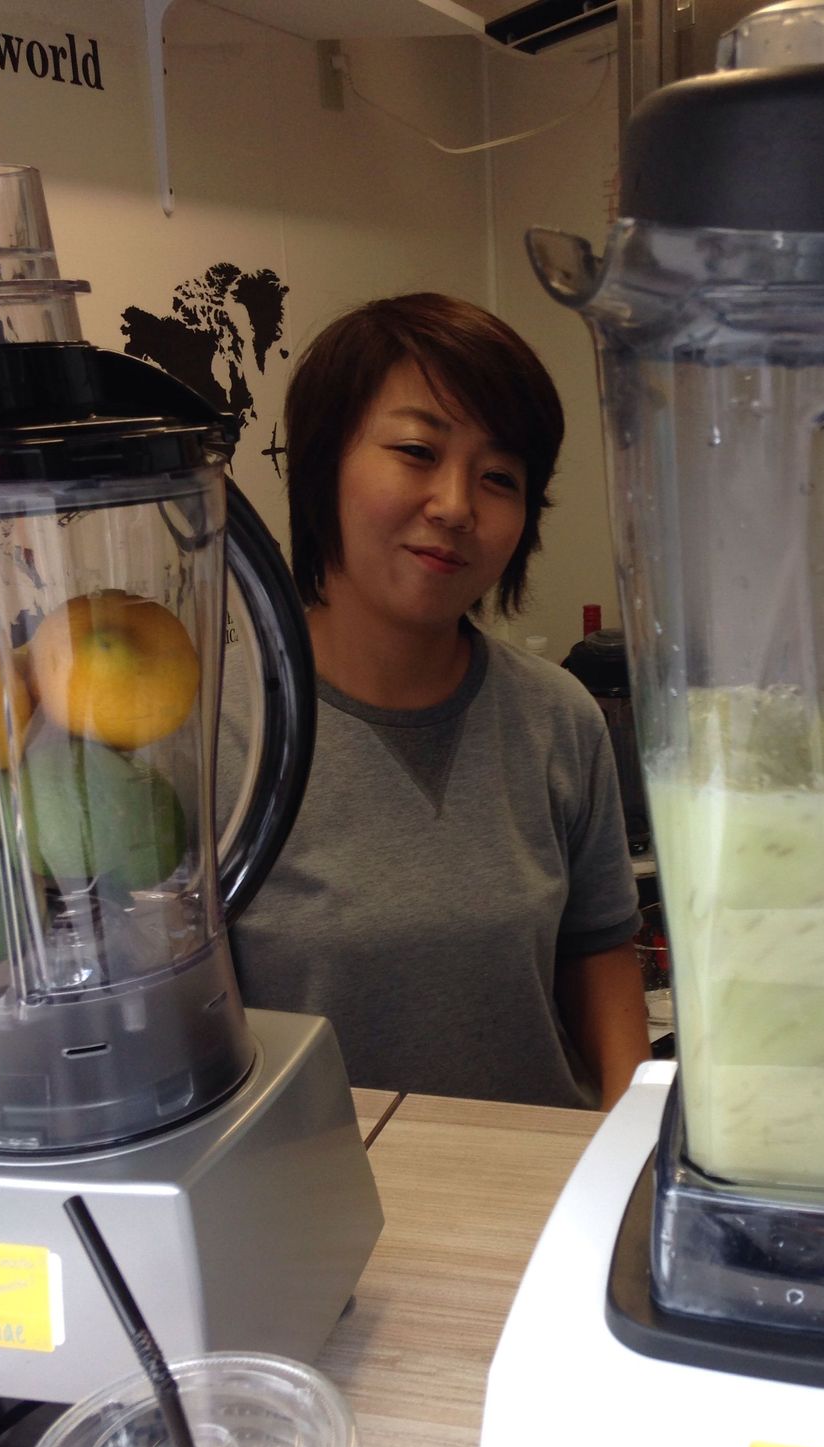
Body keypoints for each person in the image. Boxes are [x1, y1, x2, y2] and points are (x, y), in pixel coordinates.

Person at [225, 293, 650, 1108]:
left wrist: (629, 1145)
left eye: (499, 478)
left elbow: (599, 956)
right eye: (417, 451)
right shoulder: (216, 734)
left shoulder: (559, 717)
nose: (456, 505)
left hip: (541, 1179)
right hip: (313, 1182)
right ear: (322, 462)